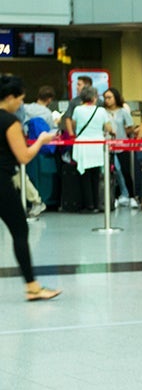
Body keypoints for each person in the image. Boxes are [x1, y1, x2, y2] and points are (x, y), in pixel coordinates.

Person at [0, 76, 61, 301]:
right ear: (9, 97)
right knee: (19, 232)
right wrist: (41, 140)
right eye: (20, 100)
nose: (21, 105)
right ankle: (32, 288)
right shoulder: (9, 122)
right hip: (2, 183)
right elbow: (24, 156)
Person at [66, 86, 108, 213]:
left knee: (84, 176)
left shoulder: (78, 109)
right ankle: (96, 204)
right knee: (96, 176)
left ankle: (88, 204)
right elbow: (107, 127)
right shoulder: (101, 111)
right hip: (98, 145)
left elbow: (73, 124)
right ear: (94, 97)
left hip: (83, 145)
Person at [17, 85, 56, 216]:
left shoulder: (26, 108)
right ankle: (37, 201)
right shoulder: (47, 113)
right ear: (49, 99)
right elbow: (52, 130)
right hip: (40, 150)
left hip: (25, 144)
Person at [102, 88, 137, 209]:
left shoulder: (123, 111)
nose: (107, 100)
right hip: (107, 146)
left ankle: (131, 196)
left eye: (109, 97)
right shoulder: (102, 112)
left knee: (126, 170)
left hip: (122, 145)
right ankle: (115, 197)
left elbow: (130, 127)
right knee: (112, 172)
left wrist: (122, 132)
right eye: (105, 97)